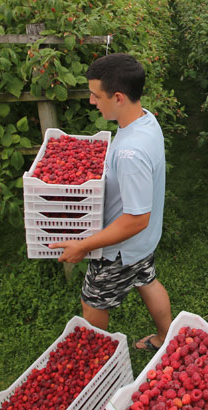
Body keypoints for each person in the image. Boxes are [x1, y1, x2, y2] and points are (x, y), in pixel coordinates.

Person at [50, 53, 171, 352]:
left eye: (95, 95)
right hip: (143, 242)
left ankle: (95, 360)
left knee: (91, 301)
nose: (92, 101)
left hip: (119, 248)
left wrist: (84, 245)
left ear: (118, 97)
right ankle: (166, 338)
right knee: (147, 280)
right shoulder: (145, 120)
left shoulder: (130, 153)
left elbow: (135, 219)